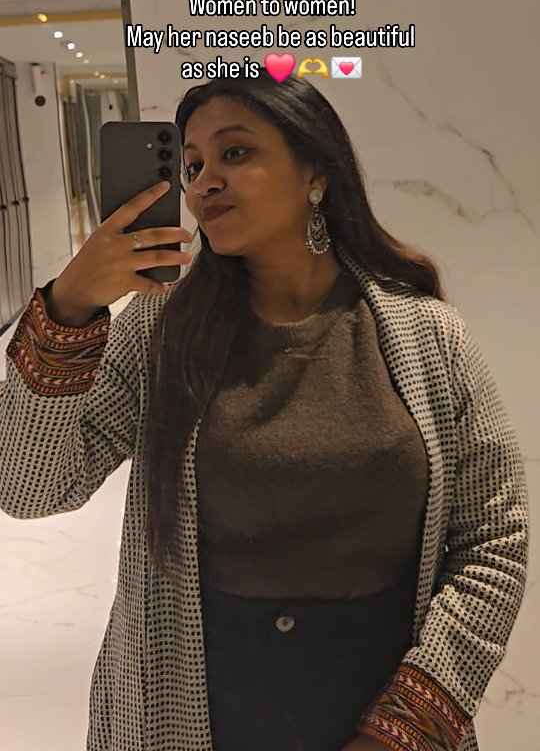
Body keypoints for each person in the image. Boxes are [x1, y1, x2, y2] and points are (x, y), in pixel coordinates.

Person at [0, 70, 529, 751]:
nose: (203, 183)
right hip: (193, 705)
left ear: (316, 171)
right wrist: (69, 309)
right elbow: (30, 487)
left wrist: (408, 726)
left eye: (235, 152)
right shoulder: (161, 333)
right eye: (192, 165)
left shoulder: (426, 335)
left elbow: (493, 540)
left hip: (382, 699)